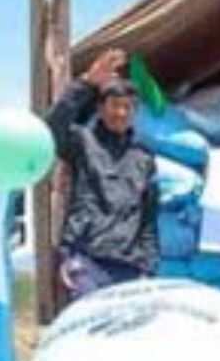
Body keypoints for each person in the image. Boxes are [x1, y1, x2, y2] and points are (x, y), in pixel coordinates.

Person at [46, 48, 159, 298]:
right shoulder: (82, 142)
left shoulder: (144, 157)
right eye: (115, 105)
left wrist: (149, 268)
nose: (121, 113)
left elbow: (148, 218)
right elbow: (51, 131)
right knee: (88, 332)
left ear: (135, 112)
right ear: (100, 107)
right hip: (87, 262)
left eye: (128, 107)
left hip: (129, 267)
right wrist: (86, 83)